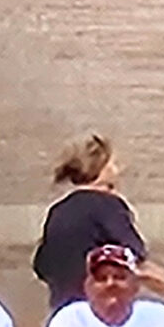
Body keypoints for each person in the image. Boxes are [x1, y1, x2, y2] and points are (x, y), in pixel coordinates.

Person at [33, 134, 146, 314]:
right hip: (102, 314)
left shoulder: (58, 210)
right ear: (100, 168)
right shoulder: (108, 206)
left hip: (63, 314)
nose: (118, 170)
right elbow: (136, 258)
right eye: (113, 164)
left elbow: (42, 265)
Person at [42, 244, 164, 327]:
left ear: (135, 285)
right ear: (86, 287)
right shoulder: (68, 321)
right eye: (101, 279)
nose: (110, 284)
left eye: (119, 277)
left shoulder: (160, 318)